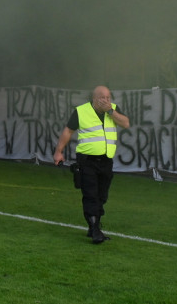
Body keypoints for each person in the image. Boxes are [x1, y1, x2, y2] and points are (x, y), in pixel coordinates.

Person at [52, 85, 131, 244]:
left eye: (108, 97)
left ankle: (93, 226)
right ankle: (95, 230)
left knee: (102, 195)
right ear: (94, 98)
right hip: (87, 160)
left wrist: (111, 111)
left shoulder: (114, 110)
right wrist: (59, 151)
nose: (106, 100)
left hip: (106, 160)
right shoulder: (81, 111)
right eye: (103, 97)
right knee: (90, 195)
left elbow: (126, 123)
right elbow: (68, 131)